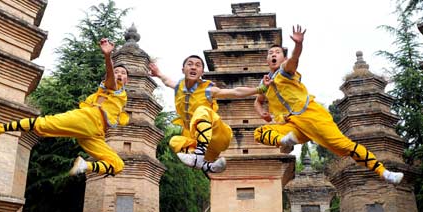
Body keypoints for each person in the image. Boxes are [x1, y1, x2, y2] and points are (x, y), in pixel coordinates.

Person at [254, 25, 404, 184]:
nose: (273, 55)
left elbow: (294, 59)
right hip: (292, 125)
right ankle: (284, 141)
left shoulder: (286, 70)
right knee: (259, 133)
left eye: (277, 53)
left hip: (312, 117)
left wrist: (298, 44)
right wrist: (261, 113)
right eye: (270, 53)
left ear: (283, 58)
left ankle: (384, 172)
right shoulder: (265, 82)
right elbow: (258, 101)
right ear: (267, 59)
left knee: (345, 146)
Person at [0, 38, 129, 177]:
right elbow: (110, 78)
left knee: (118, 165)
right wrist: (108, 56)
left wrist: (153, 75)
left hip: (96, 133)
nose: (119, 74)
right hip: (88, 119)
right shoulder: (111, 87)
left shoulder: (122, 96)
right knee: (44, 123)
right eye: (117, 72)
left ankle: (85, 165)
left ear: (127, 79)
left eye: (123, 73)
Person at [149, 56, 268, 174]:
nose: (193, 67)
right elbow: (167, 81)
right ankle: (206, 165)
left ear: (202, 72)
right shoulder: (178, 87)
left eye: (197, 65)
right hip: (199, 144)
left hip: (217, 136)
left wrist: (260, 89)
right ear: (183, 69)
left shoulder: (208, 90)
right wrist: (158, 73)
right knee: (174, 141)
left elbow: (235, 92)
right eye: (190, 64)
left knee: (201, 111)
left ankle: (199, 155)